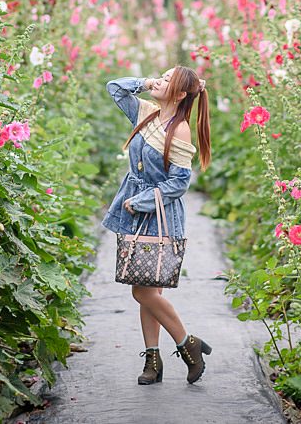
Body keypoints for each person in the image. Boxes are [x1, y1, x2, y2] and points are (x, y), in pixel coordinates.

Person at [102, 67, 213, 385]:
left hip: (159, 213)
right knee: (147, 287)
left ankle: (186, 342)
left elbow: (179, 183)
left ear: (180, 95)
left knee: (143, 291)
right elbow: (115, 87)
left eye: (167, 81)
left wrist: (143, 202)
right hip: (134, 210)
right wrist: (145, 83)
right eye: (159, 77)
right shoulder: (145, 112)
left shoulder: (178, 130)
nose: (158, 81)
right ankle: (153, 359)